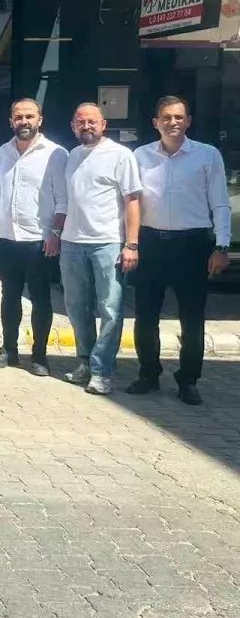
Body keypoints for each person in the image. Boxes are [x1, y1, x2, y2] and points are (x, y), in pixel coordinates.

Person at [127, 96, 231, 406]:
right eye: (167, 117)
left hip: (192, 245)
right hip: (151, 243)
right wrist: (130, 242)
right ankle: (148, 374)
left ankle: (188, 380)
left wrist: (222, 245)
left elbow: (220, 203)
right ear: (155, 122)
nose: (173, 122)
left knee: (192, 317)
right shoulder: (140, 156)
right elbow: (131, 202)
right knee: (146, 315)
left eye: (179, 117)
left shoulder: (207, 155)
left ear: (188, 121)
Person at [55, 102, 142, 396]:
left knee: (110, 308)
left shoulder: (120, 155)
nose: (87, 126)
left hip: (108, 243)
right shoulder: (72, 156)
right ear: (73, 126)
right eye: (81, 122)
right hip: (72, 242)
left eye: (92, 121)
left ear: (104, 124)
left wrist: (131, 244)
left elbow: (132, 201)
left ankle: (102, 370)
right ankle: (85, 362)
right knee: (76, 306)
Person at [0, 99, 67, 376]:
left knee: (40, 299)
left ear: (39, 120)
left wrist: (55, 233)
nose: (24, 121)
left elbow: (63, 200)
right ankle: (9, 350)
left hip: (39, 240)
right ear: (11, 121)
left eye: (29, 116)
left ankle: (39, 356)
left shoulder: (56, 153)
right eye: (18, 117)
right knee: (9, 297)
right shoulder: (3, 151)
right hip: (6, 238)